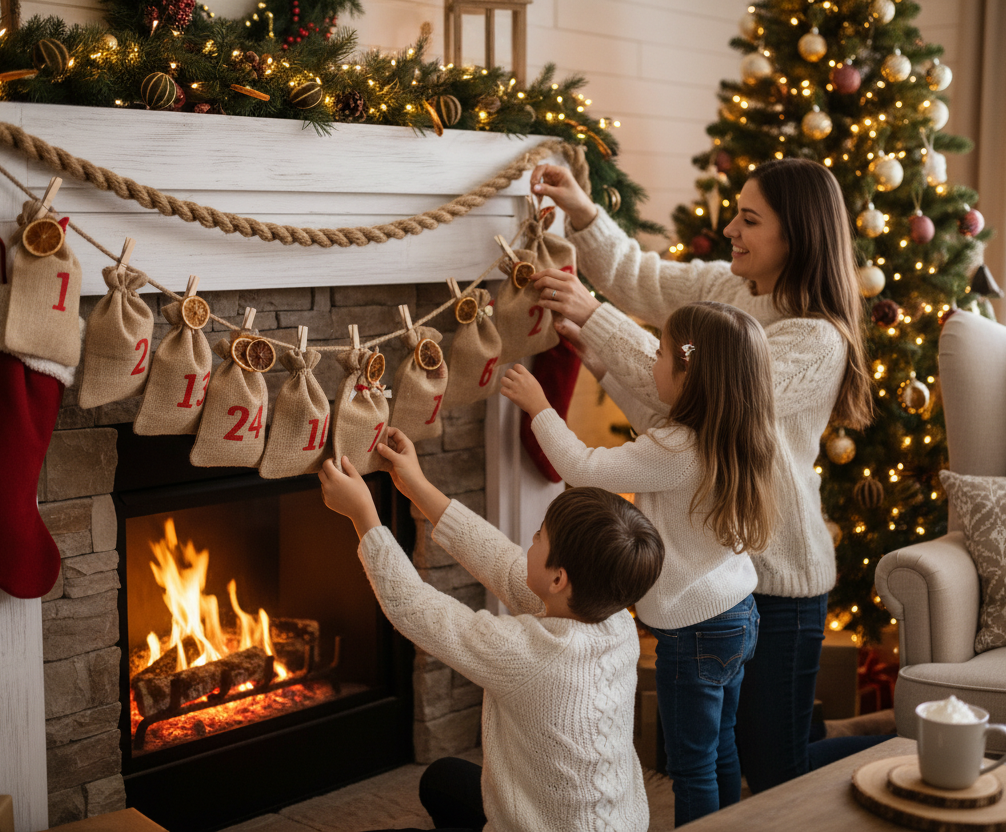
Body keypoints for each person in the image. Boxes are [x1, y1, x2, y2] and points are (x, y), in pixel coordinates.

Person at [525, 157, 875, 794]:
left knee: (776, 773)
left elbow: (706, 393)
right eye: (735, 213)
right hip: (724, 572)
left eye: (749, 219)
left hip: (782, 580)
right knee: (727, 752)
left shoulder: (815, 342)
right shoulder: (731, 291)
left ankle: (888, 742)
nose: (732, 229)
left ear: (794, 237)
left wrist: (598, 321)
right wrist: (583, 214)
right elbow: (646, 281)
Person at [501, 300, 778, 826]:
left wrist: (540, 407)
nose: (652, 363)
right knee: (721, 749)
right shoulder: (733, 432)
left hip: (691, 635)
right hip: (738, 616)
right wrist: (596, 362)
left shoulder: (675, 450)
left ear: (688, 374)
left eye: (661, 354)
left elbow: (581, 466)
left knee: (690, 766)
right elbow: (655, 409)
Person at [318, 429, 665, 832]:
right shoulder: (616, 620)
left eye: (539, 537)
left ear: (559, 580)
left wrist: (364, 515)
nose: (529, 542)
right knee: (443, 779)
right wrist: (417, 486)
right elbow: (501, 561)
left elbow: (415, 607)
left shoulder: (529, 655)